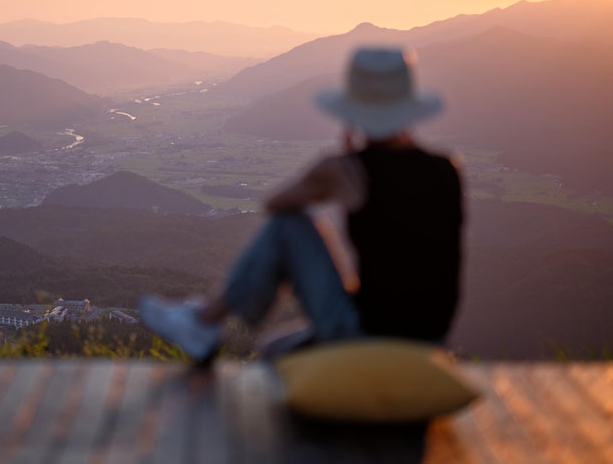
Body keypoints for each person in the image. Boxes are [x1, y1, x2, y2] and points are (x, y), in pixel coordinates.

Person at [140, 47, 464, 363]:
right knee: (274, 350)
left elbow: (276, 202)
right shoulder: (448, 169)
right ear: (408, 108)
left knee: (289, 225)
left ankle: (205, 321)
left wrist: (333, 169)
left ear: (353, 110)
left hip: (367, 333)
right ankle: (205, 322)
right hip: (429, 341)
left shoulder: (345, 170)